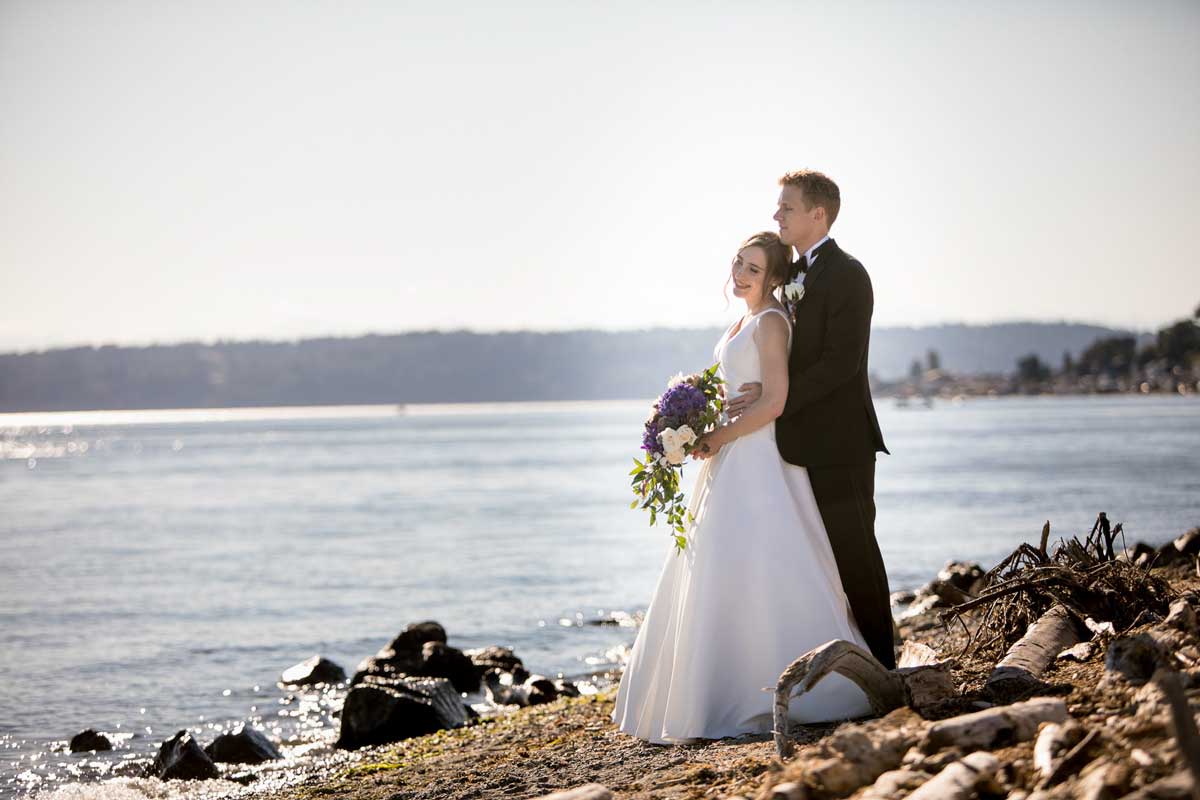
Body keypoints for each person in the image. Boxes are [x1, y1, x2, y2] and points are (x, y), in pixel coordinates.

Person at [610, 231, 876, 745]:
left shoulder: (772, 322)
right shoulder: (743, 320)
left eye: (753, 268)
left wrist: (714, 437)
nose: (741, 273)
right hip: (732, 454)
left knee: (761, 563)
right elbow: (737, 391)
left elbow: (773, 402)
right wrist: (685, 417)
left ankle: (789, 686)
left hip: (759, 458)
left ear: (774, 277)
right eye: (738, 262)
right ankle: (716, 685)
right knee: (722, 567)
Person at [727, 169, 894, 670]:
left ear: (817, 214)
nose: (777, 215)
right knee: (817, 564)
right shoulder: (792, 277)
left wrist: (777, 396)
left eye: (787, 208)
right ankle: (843, 663)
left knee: (855, 556)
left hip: (840, 445)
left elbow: (840, 366)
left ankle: (885, 667)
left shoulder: (848, 274)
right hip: (796, 446)